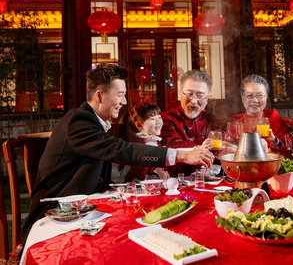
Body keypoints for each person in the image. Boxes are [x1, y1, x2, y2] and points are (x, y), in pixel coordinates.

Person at [22, 64, 214, 244]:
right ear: (99, 96)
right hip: (56, 219)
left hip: (84, 211)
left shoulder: (95, 122)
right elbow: (120, 150)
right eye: (120, 95)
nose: (124, 102)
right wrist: (182, 155)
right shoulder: (78, 122)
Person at [160, 70, 232, 176]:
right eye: (189, 94)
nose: (193, 101)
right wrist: (199, 148)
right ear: (181, 93)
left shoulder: (215, 122)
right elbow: (171, 144)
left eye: (200, 95)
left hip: (210, 182)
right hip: (175, 182)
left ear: (207, 97)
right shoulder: (166, 119)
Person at [227, 74, 290, 156]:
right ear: (242, 97)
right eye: (249, 95)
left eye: (260, 95)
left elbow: (288, 152)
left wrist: (268, 151)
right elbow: (227, 152)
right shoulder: (234, 121)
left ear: (266, 97)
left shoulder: (273, 118)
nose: (255, 100)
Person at [121, 101, 168, 182]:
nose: (158, 122)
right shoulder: (143, 143)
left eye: (159, 117)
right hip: (139, 183)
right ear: (139, 125)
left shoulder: (152, 140)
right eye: (153, 119)